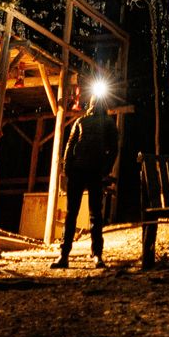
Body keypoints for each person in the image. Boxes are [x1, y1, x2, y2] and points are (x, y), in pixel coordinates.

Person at [50, 84, 119, 269]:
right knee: (72, 214)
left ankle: (97, 254)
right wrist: (67, 168)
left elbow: (113, 149)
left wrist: (105, 169)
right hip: (78, 171)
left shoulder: (108, 123)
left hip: (95, 171)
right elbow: (69, 145)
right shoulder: (81, 122)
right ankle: (64, 255)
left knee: (95, 215)